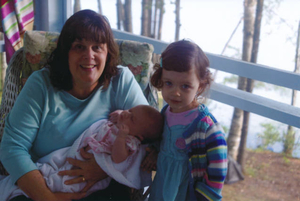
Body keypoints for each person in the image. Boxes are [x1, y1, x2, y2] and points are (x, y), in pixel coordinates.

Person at [0, 9, 152, 201]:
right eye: (79, 47)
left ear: (107, 53)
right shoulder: (41, 84)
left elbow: (150, 133)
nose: (89, 56)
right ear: (66, 53)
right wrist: (49, 198)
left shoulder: (120, 81)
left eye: (97, 47)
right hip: (44, 184)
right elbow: (13, 148)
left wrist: (105, 168)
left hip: (100, 190)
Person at [0, 105, 164, 201]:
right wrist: (121, 114)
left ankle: (52, 184)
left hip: (94, 175)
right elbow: (130, 116)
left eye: (131, 118)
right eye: (129, 110)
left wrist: (121, 138)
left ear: (139, 137)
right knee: (53, 167)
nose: (126, 114)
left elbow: (118, 159)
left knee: (69, 181)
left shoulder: (130, 142)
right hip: (72, 156)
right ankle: (42, 183)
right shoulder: (124, 122)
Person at [148, 40, 228, 201]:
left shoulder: (205, 125)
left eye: (185, 86)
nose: (175, 93)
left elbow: (218, 167)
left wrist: (205, 197)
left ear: (200, 85)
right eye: (169, 83)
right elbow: (160, 138)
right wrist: (153, 151)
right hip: (162, 184)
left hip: (188, 192)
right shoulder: (166, 112)